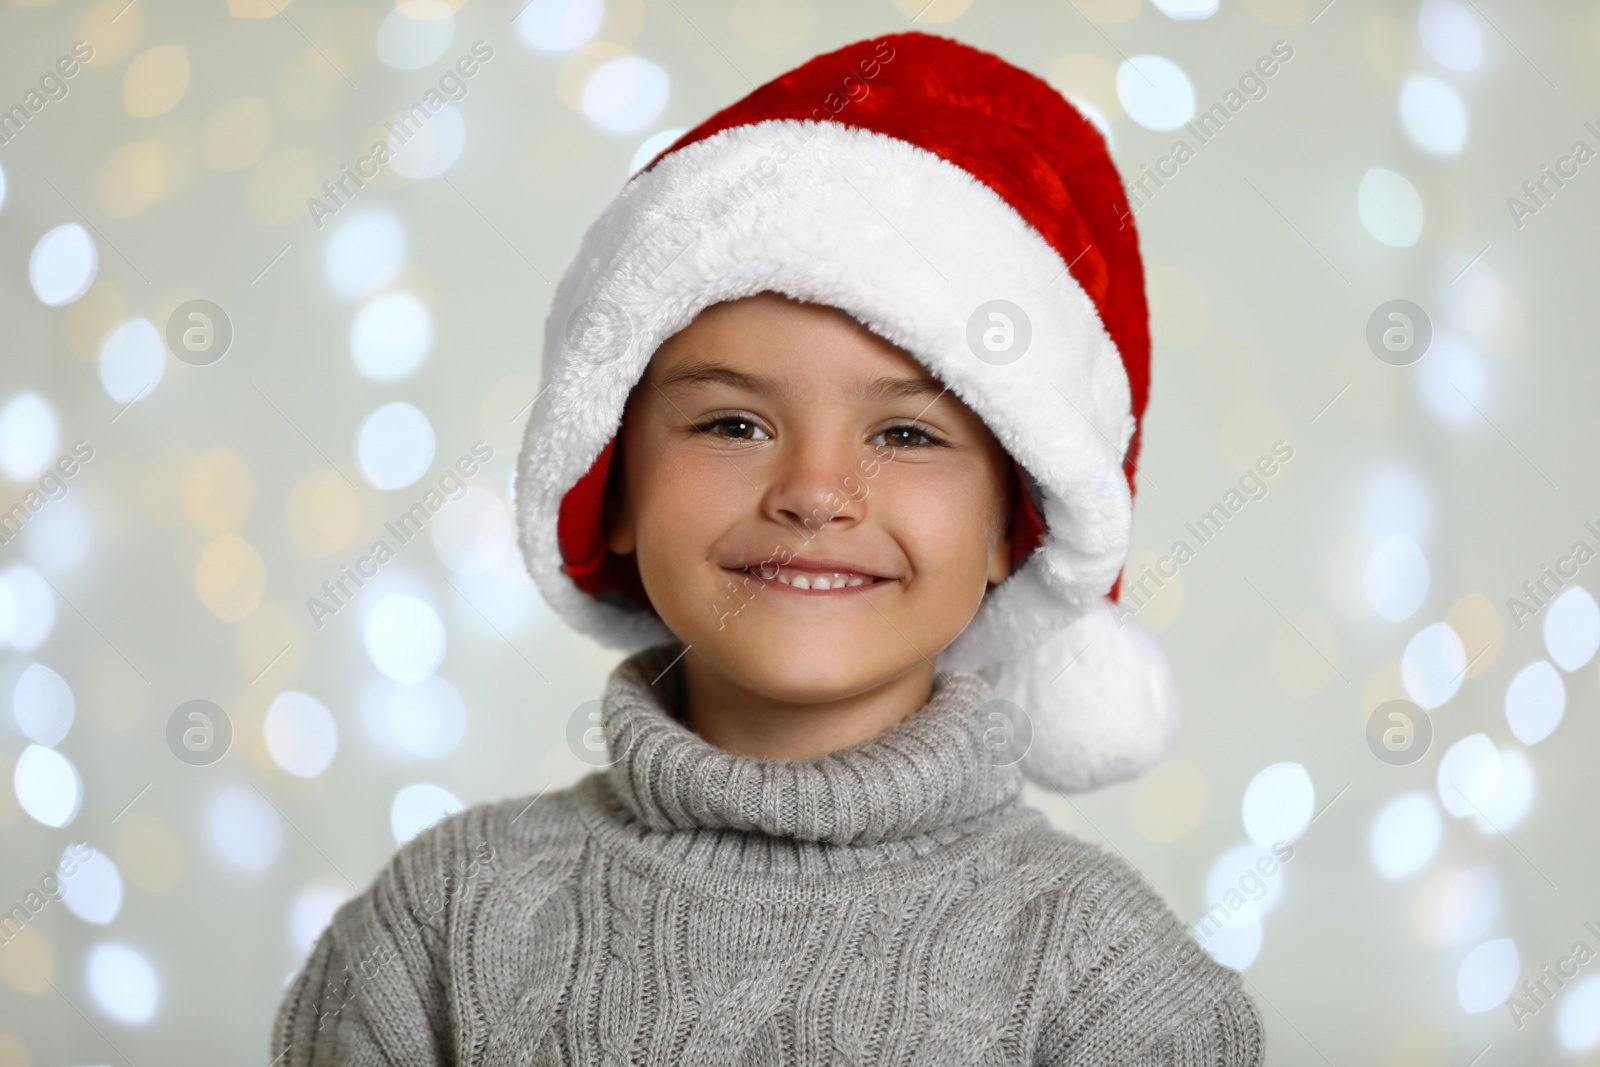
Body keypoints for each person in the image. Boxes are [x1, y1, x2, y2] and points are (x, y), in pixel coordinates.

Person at [272, 30, 1265, 1065]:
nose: (813, 492)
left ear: (1011, 524)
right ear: (610, 486)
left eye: (906, 434)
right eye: (732, 424)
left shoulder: (1106, 979)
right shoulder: (442, 921)